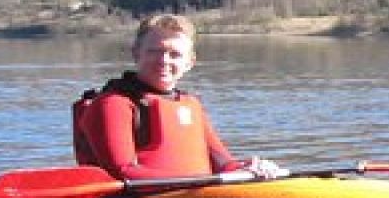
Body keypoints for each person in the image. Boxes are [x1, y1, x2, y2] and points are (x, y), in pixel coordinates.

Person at [73, 13, 283, 181]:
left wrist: (253, 169)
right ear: (136, 54)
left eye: (175, 54)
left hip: (197, 193)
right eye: (154, 51)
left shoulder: (191, 105)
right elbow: (122, 171)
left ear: (190, 62)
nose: (164, 61)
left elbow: (224, 163)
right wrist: (201, 183)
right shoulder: (113, 104)